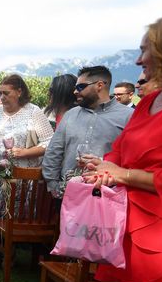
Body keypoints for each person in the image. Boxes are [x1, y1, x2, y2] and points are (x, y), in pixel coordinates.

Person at [83, 18, 162, 282]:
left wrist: (124, 175)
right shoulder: (149, 102)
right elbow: (123, 148)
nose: (139, 59)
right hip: (132, 215)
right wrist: (105, 165)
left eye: (145, 50)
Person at [0, 74, 54, 265]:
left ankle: (9, 252)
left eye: (6, 93)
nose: (2, 96)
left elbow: (50, 142)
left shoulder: (33, 112)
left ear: (19, 91)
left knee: (11, 212)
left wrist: (25, 152)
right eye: (0, 93)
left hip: (19, 176)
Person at [43, 67, 133, 198]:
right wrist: (53, 186)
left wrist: (103, 163)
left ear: (99, 85)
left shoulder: (128, 116)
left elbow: (132, 158)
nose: (75, 91)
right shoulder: (71, 115)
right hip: (68, 194)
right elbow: (54, 151)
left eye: (80, 87)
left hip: (106, 197)